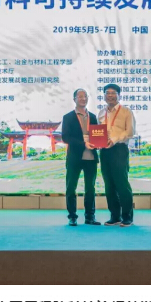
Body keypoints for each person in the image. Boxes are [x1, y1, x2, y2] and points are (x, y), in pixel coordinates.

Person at [61, 88, 101, 226]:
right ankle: (72, 216)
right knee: (71, 187)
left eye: (85, 96)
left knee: (90, 188)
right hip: (74, 158)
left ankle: (90, 217)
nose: (83, 98)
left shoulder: (93, 117)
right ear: (74, 99)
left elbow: (97, 136)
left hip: (91, 157)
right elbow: (65, 137)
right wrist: (84, 143)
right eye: (80, 96)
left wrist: (99, 143)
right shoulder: (68, 117)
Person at [98, 84, 136, 227]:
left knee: (122, 183)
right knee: (109, 185)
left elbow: (130, 132)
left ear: (119, 95)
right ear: (104, 96)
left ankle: (127, 216)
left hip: (119, 149)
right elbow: (99, 132)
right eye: (107, 93)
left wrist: (114, 140)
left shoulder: (126, 111)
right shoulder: (101, 113)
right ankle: (115, 216)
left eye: (113, 93)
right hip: (104, 151)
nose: (110, 95)